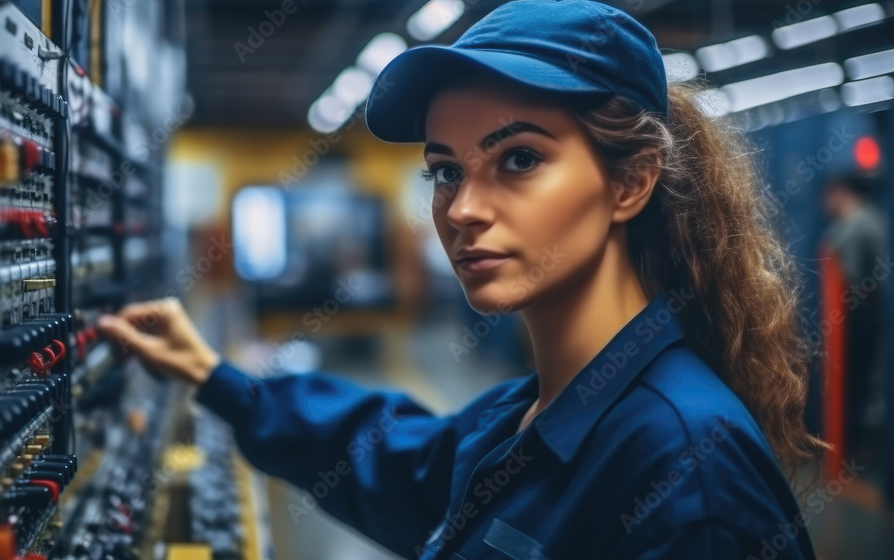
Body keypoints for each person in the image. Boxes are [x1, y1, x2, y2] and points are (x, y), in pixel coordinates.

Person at [97, 1, 827, 558]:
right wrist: (215, 376)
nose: (464, 209)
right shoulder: (531, 414)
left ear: (630, 182)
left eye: (518, 159)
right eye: (447, 171)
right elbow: (398, 462)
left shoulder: (684, 476)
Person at [820, 174, 886, 459]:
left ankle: (848, 450)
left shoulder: (855, 225)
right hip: (863, 319)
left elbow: (849, 278)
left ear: (840, 192)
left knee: (852, 384)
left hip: (854, 322)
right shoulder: (873, 219)